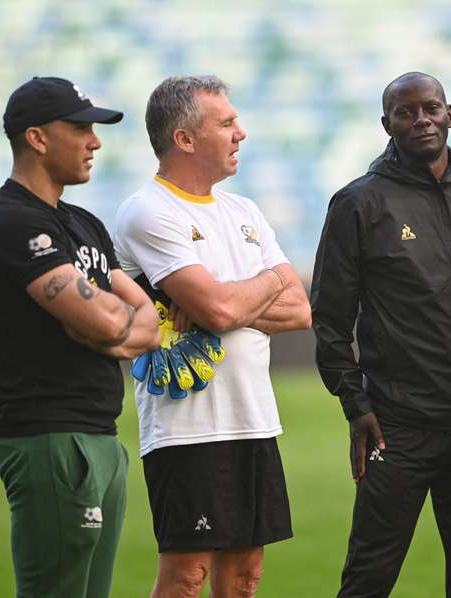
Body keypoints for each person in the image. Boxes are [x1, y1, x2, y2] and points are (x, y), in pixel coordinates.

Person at [311, 72, 451, 598]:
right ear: (387, 124)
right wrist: (355, 404)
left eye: (431, 108)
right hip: (400, 426)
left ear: (450, 114)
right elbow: (331, 317)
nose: (421, 119)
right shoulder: (358, 204)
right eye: (406, 112)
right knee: (369, 578)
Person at [114, 75, 311, 598]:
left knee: (245, 575)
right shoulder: (148, 211)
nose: (240, 133)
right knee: (186, 576)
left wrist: (224, 303)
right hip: (187, 424)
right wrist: (269, 281)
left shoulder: (244, 211)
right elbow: (223, 308)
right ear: (184, 139)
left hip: (254, 417)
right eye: (226, 123)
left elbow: (300, 311)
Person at [0, 76, 161, 598]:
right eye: (80, 128)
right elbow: (109, 322)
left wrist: (115, 330)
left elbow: (145, 316)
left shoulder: (83, 223)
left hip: (100, 436)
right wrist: (117, 328)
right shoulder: (11, 220)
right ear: (36, 137)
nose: (95, 141)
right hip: (50, 437)